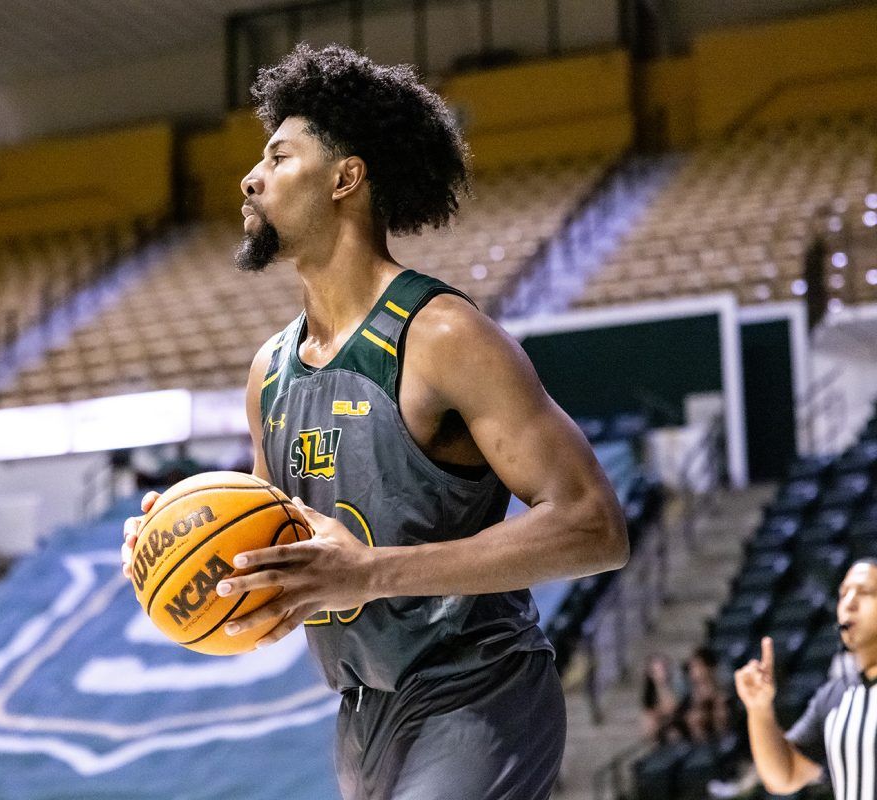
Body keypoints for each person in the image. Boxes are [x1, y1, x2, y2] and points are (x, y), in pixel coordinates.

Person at [122, 44, 629, 800]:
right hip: (361, 716)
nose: (250, 178)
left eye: (278, 157)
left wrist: (372, 569)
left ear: (345, 178)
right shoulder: (271, 370)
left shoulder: (441, 335)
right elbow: (279, 546)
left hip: (479, 690)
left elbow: (595, 528)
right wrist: (181, 544)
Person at [734, 558, 877, 798]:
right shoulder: (835, 697)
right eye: (843, 594)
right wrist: (759, 710)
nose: (849, 603)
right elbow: (784, 776)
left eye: (865, 592)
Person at [682, 646, 732, 743]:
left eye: (698, 666)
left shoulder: (721, 687)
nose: (694, 671)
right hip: (700, 738)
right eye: (692, 667)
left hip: (722, 731)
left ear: (708, 667)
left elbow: (723, 717)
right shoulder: (692, 692)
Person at [642, 654, 685, 744]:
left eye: (662, 668)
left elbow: (672, 708)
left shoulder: (678, 687)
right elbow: (649, 726)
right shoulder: (650, 695)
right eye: (656, 670)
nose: (661, 672)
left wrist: (663, 685)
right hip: (661, 732)